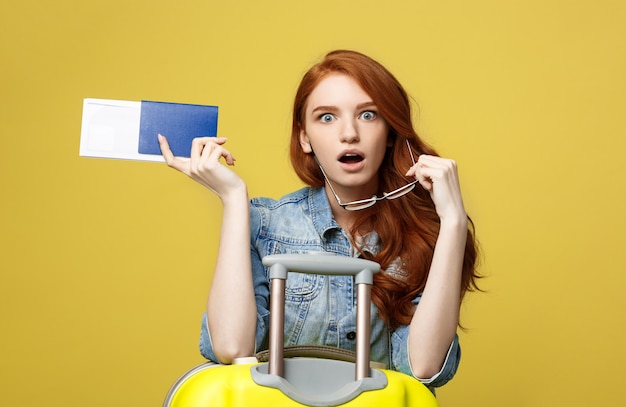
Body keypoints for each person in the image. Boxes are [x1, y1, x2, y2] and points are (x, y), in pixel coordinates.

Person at [158, 50, 480, 389]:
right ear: (304, 137)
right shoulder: (266, 225)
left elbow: (424, 367)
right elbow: (232, 348)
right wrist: (234, 200)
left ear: (389, 133)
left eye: (368, 115)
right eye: (327, 117)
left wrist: (453, 221)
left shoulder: (421, 235)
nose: (349, 133)